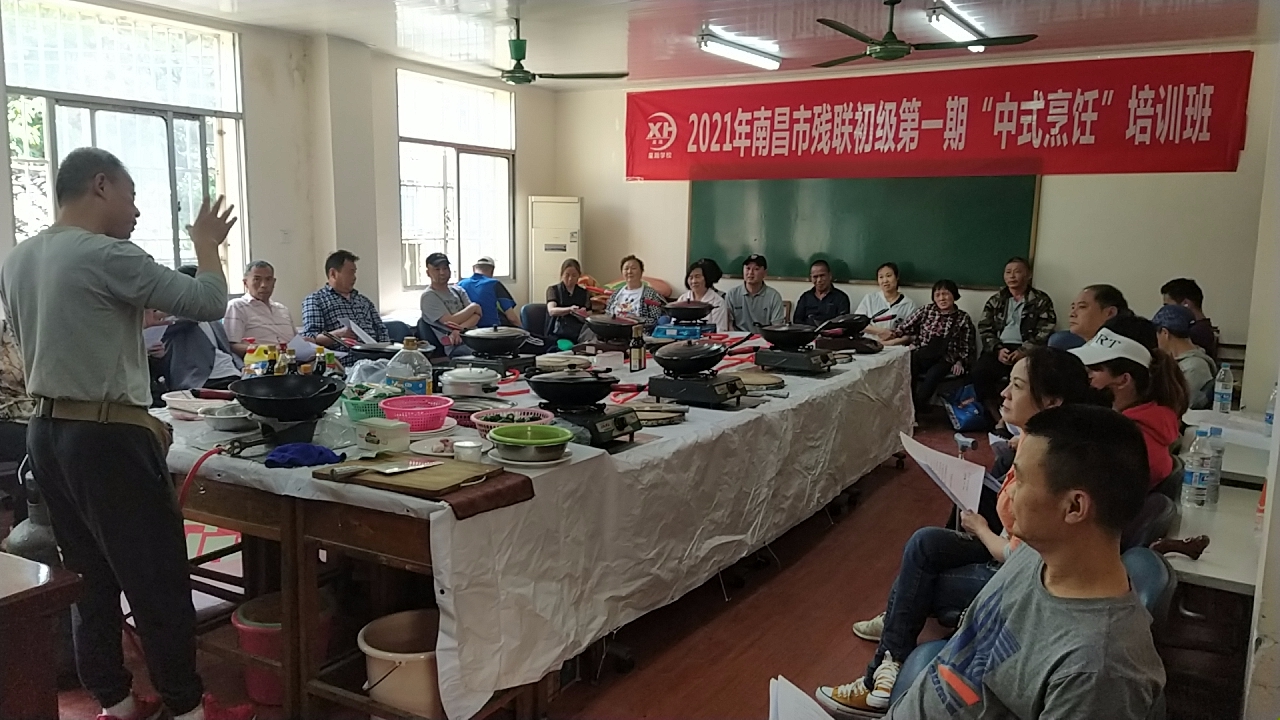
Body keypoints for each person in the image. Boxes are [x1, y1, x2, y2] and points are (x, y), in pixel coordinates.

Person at [0, 147, 252, 720]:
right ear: (100, 185)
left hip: (47, 432)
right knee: (156, 578)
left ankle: (115, 701)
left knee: (89, 576)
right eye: (131, 196)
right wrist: (207, 245)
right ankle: (187, 708)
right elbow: (209, 301)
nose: (136, 211)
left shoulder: (19, 259)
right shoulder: (108, 253)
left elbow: (67, 333)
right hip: (107, 440)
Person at [825, 405, 1165, 719]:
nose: (1009, 491)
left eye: (1021, 479)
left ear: (1074, 507)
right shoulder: (1038, 552)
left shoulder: (1098, 670)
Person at [827, 348, 1103, 716]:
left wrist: (982, 529)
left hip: (1013, 571)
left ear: (1052, 402)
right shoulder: (1033, 443)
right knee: (926, 542)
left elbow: (1020, 556)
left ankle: (883, 666)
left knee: (919, 583)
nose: (1003, 393)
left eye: (1017, 386)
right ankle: (890, 654)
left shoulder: (1056, 466)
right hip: (1013, 557)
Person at [1072, 316, 1188, 488]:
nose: (1086, 376)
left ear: (1124, 379)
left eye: (1094, 369)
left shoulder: (1126, 445)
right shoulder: (1151, 423)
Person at [972, 257, 1057, 422]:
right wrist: (998, 349)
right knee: (979, 373)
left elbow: (1046, 328)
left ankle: (1026, 418)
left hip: (1028, 349)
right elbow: (984, 327)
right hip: (1000, 348)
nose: (1012, 276)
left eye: (1017, 272)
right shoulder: (996, 300)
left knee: (1032, 377)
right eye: (1008, 272)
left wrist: (1024, 351)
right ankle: (996, 416)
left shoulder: (1040, 300)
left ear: (1028, 275)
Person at [885, 280, 973, 412]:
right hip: (923, 352)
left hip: (946, 358)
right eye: (937, 295)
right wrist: (891, 335)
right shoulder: (926, 310)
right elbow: (906, 326)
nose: (942, 298)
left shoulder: (963, 318)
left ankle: (918, 407)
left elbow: (966, 344)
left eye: (945, 294)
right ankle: (906, 405)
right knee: (907, 365)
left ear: (954, 295)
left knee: (933, 375)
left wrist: (960, 361)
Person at [156, 265, 242, 391]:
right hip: (201, 381)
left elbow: (226, 350)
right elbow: (174, 324)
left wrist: (242, 367)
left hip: (233, 374)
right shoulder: (169, 320)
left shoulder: (213, 319)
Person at [302, 249, 390, 350]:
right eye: (350, 272)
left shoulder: (364, 301)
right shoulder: (315, 300)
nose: (354, 277)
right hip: (344, 358)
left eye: (354, 273)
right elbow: (311, 339)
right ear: (333, 274)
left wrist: (386, 351)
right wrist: (339, 334)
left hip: (376, 355)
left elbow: (382, 331)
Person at [0, 313, 33, 528]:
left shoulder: (23, 331)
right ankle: (23, 525)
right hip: (6, 416)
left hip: (38, 414)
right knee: (33, 449)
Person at [223, 260, 296, 355]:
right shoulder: (237, 307)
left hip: (294, 359)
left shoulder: (283, 309)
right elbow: (232, 346)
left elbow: (296, 341)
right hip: (261, 361)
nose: (264, 285)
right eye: (257, 279)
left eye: (268, 279)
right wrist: (266, 350)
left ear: (274, 282)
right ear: (245, 283)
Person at [1152, 304, 1217, 410]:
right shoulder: (1182, 363)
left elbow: (1179, 407)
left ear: (1165, 333)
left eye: (1157, 334)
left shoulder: (1194, 368)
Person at [420, 252, 481, 357]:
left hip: (473, 336)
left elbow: (477, 315)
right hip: (456, 345)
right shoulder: (429, 296)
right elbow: (451, 322)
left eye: (445, 268)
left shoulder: (458, 290)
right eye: (437, 269)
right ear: (428, 273)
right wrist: (474, 307)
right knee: (482, 355)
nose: (442, 273)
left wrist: (460, 329)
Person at [1047, 284, 1129, 350]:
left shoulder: (1123, 351)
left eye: (1082, 307)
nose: (1072, 314)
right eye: (1073, 307)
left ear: (1110, 313)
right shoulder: (1063, 345)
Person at [725, 254, 785, 332]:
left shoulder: (774, 296)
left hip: (764, 337)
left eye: (756, 269)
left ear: (765, 273)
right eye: (748, 268)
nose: (750, 273)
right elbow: (728, 324)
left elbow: (777, 327)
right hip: (739, 337)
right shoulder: (732, 294)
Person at [856, 262, 917, 340]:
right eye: (881, 277)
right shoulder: (869, 298)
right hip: (869, 342)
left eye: (888, 276)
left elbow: (910, 334)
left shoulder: (909, 304)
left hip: (895, 344)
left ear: (897, 277)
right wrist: (880, 331)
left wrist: (891, 342)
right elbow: (857, 323)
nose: (885, 280)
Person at [457, 255, 521, 328]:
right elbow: (512, 318)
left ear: (474, 269)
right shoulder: (494, 284)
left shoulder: (460, 284)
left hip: (467, 330)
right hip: (492, 330)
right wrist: (524, 331)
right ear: (492, 271)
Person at [1161, 277, 1219, 358]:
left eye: (1168, 306)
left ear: (1186, 304)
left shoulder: (1196, 333)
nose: (1166, 311)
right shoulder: (1203, 328)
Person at [604, 255, 665, 327]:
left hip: (638, 331)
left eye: (633, 268)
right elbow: (607, 315)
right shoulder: (616, 294)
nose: (629, 271)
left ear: (641, 272)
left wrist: (636, 320)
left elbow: (655, 319)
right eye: (626, 269)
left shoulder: (650, 294)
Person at [676, 258, 732, 332]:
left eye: (697, 276)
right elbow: (674, 326)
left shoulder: (718, 302)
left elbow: (720, 330)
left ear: (706, 278)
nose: (694, 281)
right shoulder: (682, 299)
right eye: (691, 277)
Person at [546, 258, 591, 343]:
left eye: (574, 275)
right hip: (559, 332)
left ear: (579, 276)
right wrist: (570, 309)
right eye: (567, 275)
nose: (570, 279)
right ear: (562, 275)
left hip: (579, 331)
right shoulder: (553, 290)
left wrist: (582, 314)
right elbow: (551, 310)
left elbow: (589, 314)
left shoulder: (584, 292)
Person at [793, 259, 850, 326]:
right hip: (808, 331)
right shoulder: (805, 297)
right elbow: (797, 321)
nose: (819, 280)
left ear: (830, 276)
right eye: (815, 277)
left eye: (822, 276)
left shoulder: (841, 298)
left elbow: (843, 323)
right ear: (811, 278)